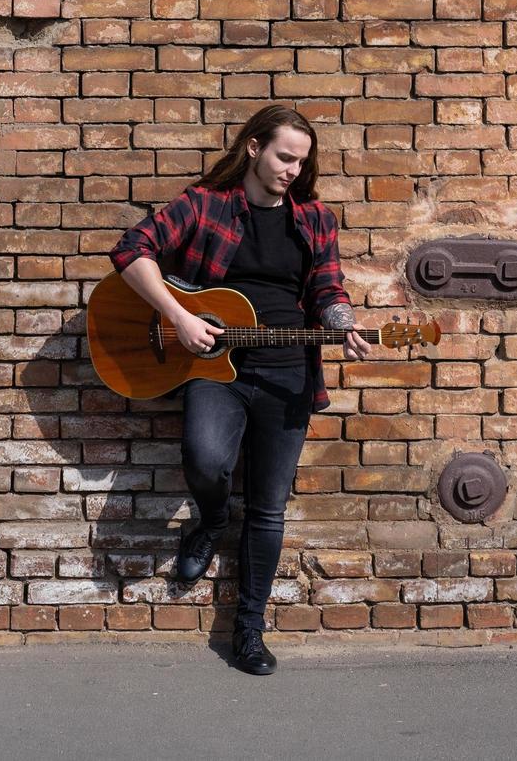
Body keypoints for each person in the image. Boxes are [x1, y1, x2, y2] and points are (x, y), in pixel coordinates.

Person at [108, 104, 371, 675]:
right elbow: (131, 252)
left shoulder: (315, 218)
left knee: (269, 509)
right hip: (215, 366)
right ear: (253, 148)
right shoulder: (204, 205)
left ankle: (249, 631)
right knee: (205, 460)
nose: (293, 171)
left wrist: (343, 324)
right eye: (284, 157)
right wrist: (178, 316)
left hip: (288, 372)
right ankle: (209, 519)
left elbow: (328, 289)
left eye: (302, 162)